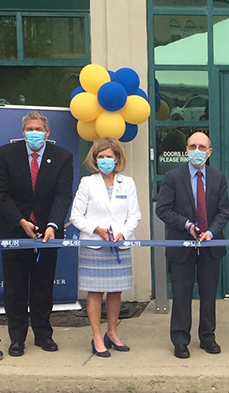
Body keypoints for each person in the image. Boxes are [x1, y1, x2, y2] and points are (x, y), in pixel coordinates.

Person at [0, 111, 74, 357]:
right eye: (30, 129)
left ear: (47, 133)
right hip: (14, 230)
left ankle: (43, 334)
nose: (34, 133)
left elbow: (63, 195)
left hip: (47, 234)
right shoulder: (6, 154)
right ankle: (17, 338)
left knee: (42, 286)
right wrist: (21, 220)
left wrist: (52, 225)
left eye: (39, 129)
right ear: (23, 132)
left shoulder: (62, 157)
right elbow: (1, 193)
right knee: (15, 288)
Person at [155, 131, 229, 359]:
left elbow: (224, 211)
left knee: (208, 295)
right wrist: (186, 225)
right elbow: (163, 209)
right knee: (181, 295)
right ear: (186, 150)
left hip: (210, 245)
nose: (197, 151)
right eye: (192, 146)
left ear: (209, 152)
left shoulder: (218, 178)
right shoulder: (172, 177)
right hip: (182, 246)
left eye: (201, 147)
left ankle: (207, 336)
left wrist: (211, 232)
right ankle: (180, 339)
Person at [68, 138, 141, 358]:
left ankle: (113, 332)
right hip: (95, 244)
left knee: (115, 291)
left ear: (117, 158)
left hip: (119, 244)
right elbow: (76, 217)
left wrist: (123, 233)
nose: (105, 160)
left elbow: (134, 215)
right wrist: (96, 229)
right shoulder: (87, 183)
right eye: (101, 157)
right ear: (95, 159)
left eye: (109, 156)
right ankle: (97, 336)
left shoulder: (127, 183)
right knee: (95, 292)